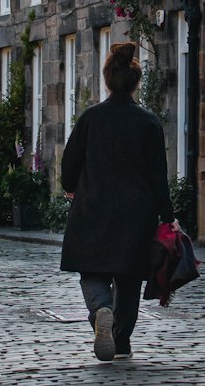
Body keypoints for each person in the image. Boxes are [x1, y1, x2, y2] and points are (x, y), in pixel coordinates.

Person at [60, 41, 174, 361]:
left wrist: (71, 186)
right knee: (128, 279)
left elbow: (70, 163)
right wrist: (167, 215)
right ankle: (121, 341)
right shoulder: (148, 122)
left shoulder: (91, 119)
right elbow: (157, 175)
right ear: (136, 82)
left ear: (107, 80)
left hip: (93, 206)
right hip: (136, 213)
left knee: (92, 270)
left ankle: (100, 310)